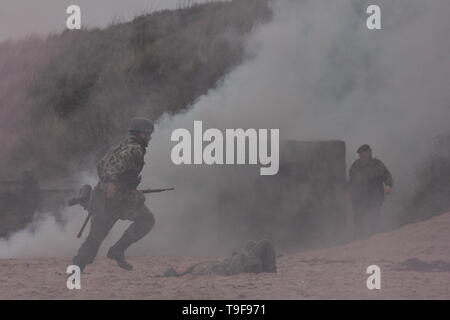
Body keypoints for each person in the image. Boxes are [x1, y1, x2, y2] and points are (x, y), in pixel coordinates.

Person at [73, 117, 155, 271]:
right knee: (146, 221)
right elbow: (116, 167)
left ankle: (77, 268)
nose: (150, 137)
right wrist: (113, 182)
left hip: (105, 198)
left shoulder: (120, 147)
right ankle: (118, 250)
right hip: (120, 200)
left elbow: (101, 165)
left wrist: (113, 182)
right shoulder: (135, 149)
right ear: (141, 134)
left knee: (95, 238)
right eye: (148, 134)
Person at [161, 239, 277, 277]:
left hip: (232, 263)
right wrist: (236, 258)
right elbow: (218, 270)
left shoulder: (193, 270)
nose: (180, 266)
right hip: (235, 266)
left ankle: (263, 266)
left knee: (250, 243)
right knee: (266, 243)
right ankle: (270, 271)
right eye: (176, 268)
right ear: (177, 273)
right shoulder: (195, 272)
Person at [348, 144, 393, 238]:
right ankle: (357, 241)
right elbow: (351, 181)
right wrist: (349, 192)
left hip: (374, 198)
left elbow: (387, 175)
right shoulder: (356, 166)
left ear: (369, 153)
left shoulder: (377, 164)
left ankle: (374, 241)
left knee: (374, 220)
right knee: (358, 222)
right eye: (360, 154)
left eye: (364, 153)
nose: (362, 155)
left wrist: (388, 185)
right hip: (359, 199)